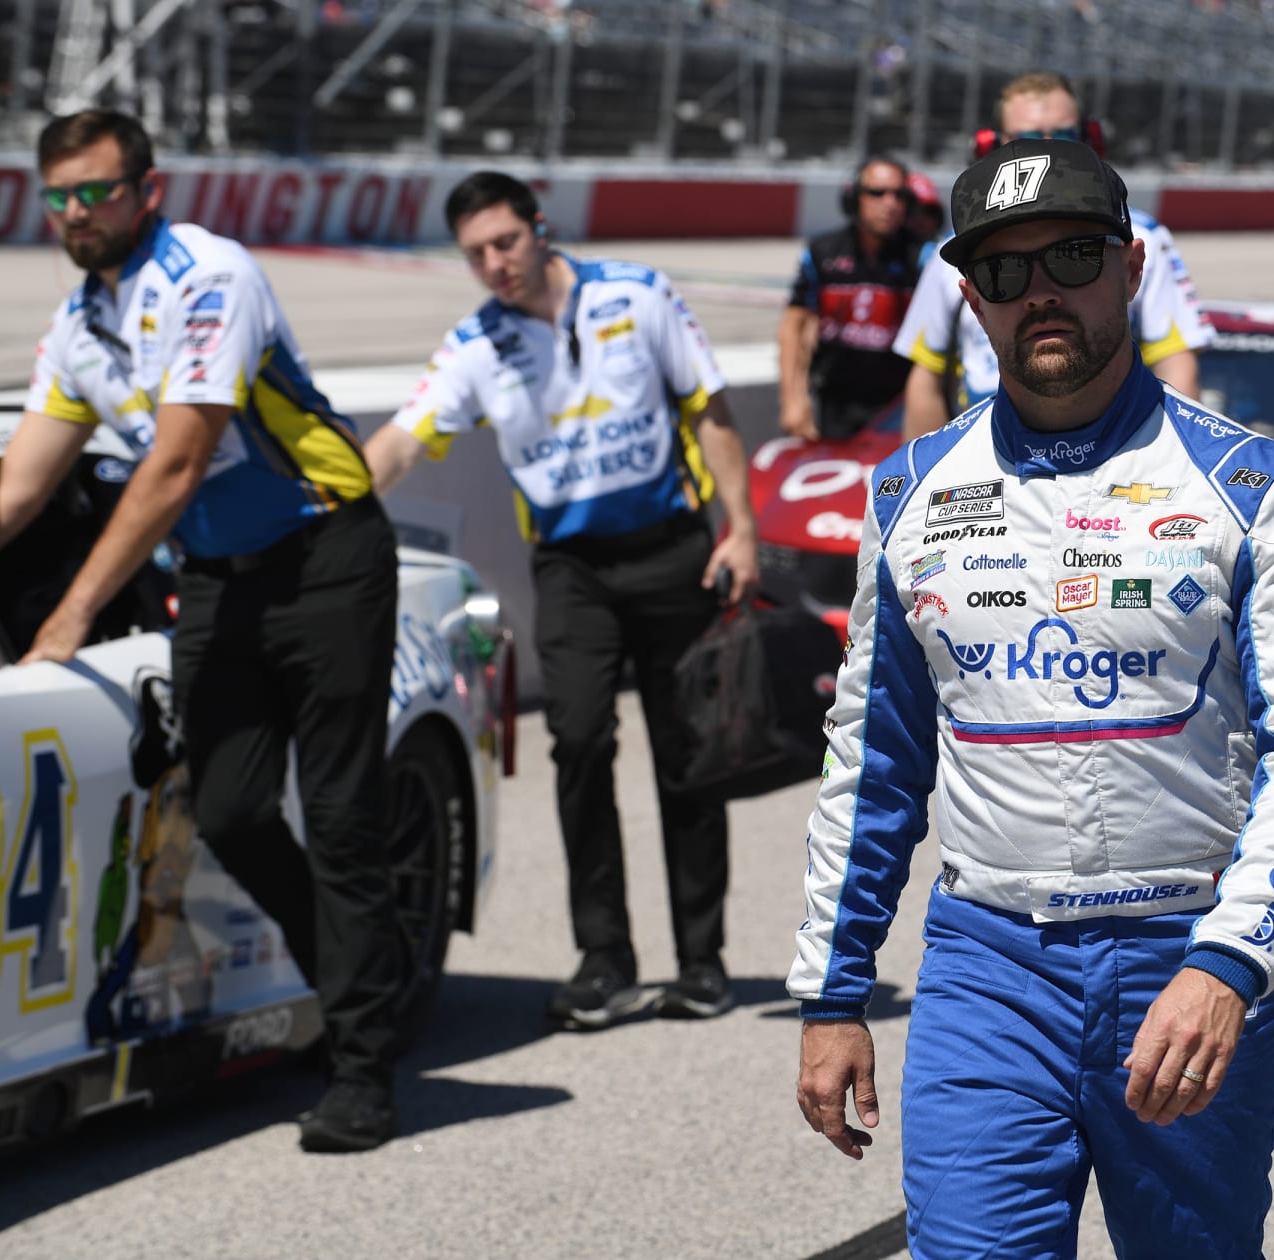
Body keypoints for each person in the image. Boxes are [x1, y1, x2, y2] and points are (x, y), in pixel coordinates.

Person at [791, 137, 1274, 1258]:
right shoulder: (911, 494)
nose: (1039, 293)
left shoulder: (1260, 490)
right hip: (986, 970)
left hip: (1187, 954)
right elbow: (871, 760)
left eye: (1070, 257)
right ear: (971, 299)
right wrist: (831, 991)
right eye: (1004, 272)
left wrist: (1231, 962)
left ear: (1132, 265)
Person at [0, 109, 403, 1152]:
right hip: (216, 581)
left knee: (341, 819)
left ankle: (363, 1069)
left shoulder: (211, 275)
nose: (76, 213)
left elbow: (178, 464)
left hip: (326, 557)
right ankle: (356, 982)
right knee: (234, 813)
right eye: (59, 196)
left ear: (147, 191)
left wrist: (70, 616)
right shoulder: (78, 326)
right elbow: (17, 492)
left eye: (96, 192)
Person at [364, 172, 761, 1029]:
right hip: (571, 569)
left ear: (539, 228)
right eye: (476, 253)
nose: (495, 264)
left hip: (675, 552)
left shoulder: (638, 295)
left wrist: (741, 530)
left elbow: (711, 410)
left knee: (687, 757)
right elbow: (403, 440)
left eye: (505, 242)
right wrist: (335, 506)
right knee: (578, 742)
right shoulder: (475, 344)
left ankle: (702, 962)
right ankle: (604, 960)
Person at [894, 71, 1212, 443]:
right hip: (988, 454)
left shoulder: (1143, 237)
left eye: (1063, 136)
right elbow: (927, 378)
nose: (1045, 148)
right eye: (1027, 139)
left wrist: (1170, 458)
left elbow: (1176, 362)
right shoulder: (952, 251)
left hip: (1122, 446)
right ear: (989, 146)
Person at [777, 155, 926, 441]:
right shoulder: (822, 252)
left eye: (899, 195)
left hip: (899, 410)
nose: (890, 203)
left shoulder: (924, 257)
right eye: (877, 193)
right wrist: (792, 400)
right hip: (834, 404)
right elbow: (793, 326)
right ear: (854, 198)